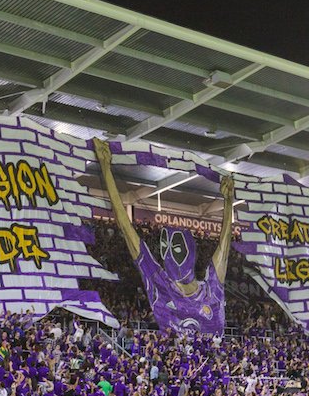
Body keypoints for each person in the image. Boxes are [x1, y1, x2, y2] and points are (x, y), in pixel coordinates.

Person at [93, 138, 235, 334]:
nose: (170, 256)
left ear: (191, 252)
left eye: (176, 248)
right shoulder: (158, 282)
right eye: (165, 249)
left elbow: (225, 245)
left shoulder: (211, 288)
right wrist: (105, 167)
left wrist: (229, 200)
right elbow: (125, 227)